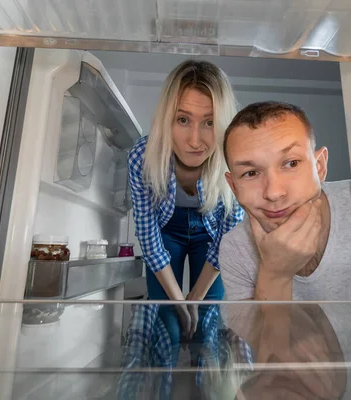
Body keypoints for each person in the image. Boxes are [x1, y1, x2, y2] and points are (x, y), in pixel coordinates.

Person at [218, 101, 351, 399]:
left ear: (319, 165)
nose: (274, 193)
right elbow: (269, 365)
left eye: (291, 163)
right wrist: (275, 273)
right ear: (233, 184)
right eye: (251, 173)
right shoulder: (235, 250)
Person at [127, 60, 244, 368]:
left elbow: (229, 234)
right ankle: (161, 383)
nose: (195, 140)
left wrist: (195, 298)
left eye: (209, 122)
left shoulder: (236, 159)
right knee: (166, 315)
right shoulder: (141, 156)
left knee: (208, 314)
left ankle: (206, 382)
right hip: (166, 232)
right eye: (183, 120)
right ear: (167, 119)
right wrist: (179, 301)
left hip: (214, 234)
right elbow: (148, 235)